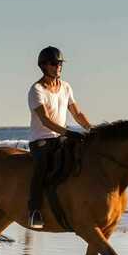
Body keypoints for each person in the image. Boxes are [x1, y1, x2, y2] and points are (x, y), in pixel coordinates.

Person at [27, 46, 92, 229]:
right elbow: (45, 120)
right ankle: (34, 211)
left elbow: (77, 112)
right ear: (44, 66)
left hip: (61, 138)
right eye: (55, 63)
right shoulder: (36, 90)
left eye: (60, 63)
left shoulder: (66, 87)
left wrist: (91, 129)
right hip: (41, 140)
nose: (59, 67)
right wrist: (68, 132)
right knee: (41, 167)